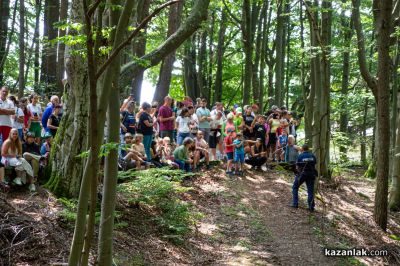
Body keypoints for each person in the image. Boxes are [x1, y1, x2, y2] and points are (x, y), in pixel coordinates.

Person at [291, 144, 318, 212]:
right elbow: (314, 164)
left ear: (302, 149)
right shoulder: (312, 155)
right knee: (310, 191)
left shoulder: (300, 156)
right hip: (311, 174)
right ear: (308, 149)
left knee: (295, 187)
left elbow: (297, 166)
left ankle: (295, 203)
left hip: (302, 174)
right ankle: (311, 207)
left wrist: (297, 172)